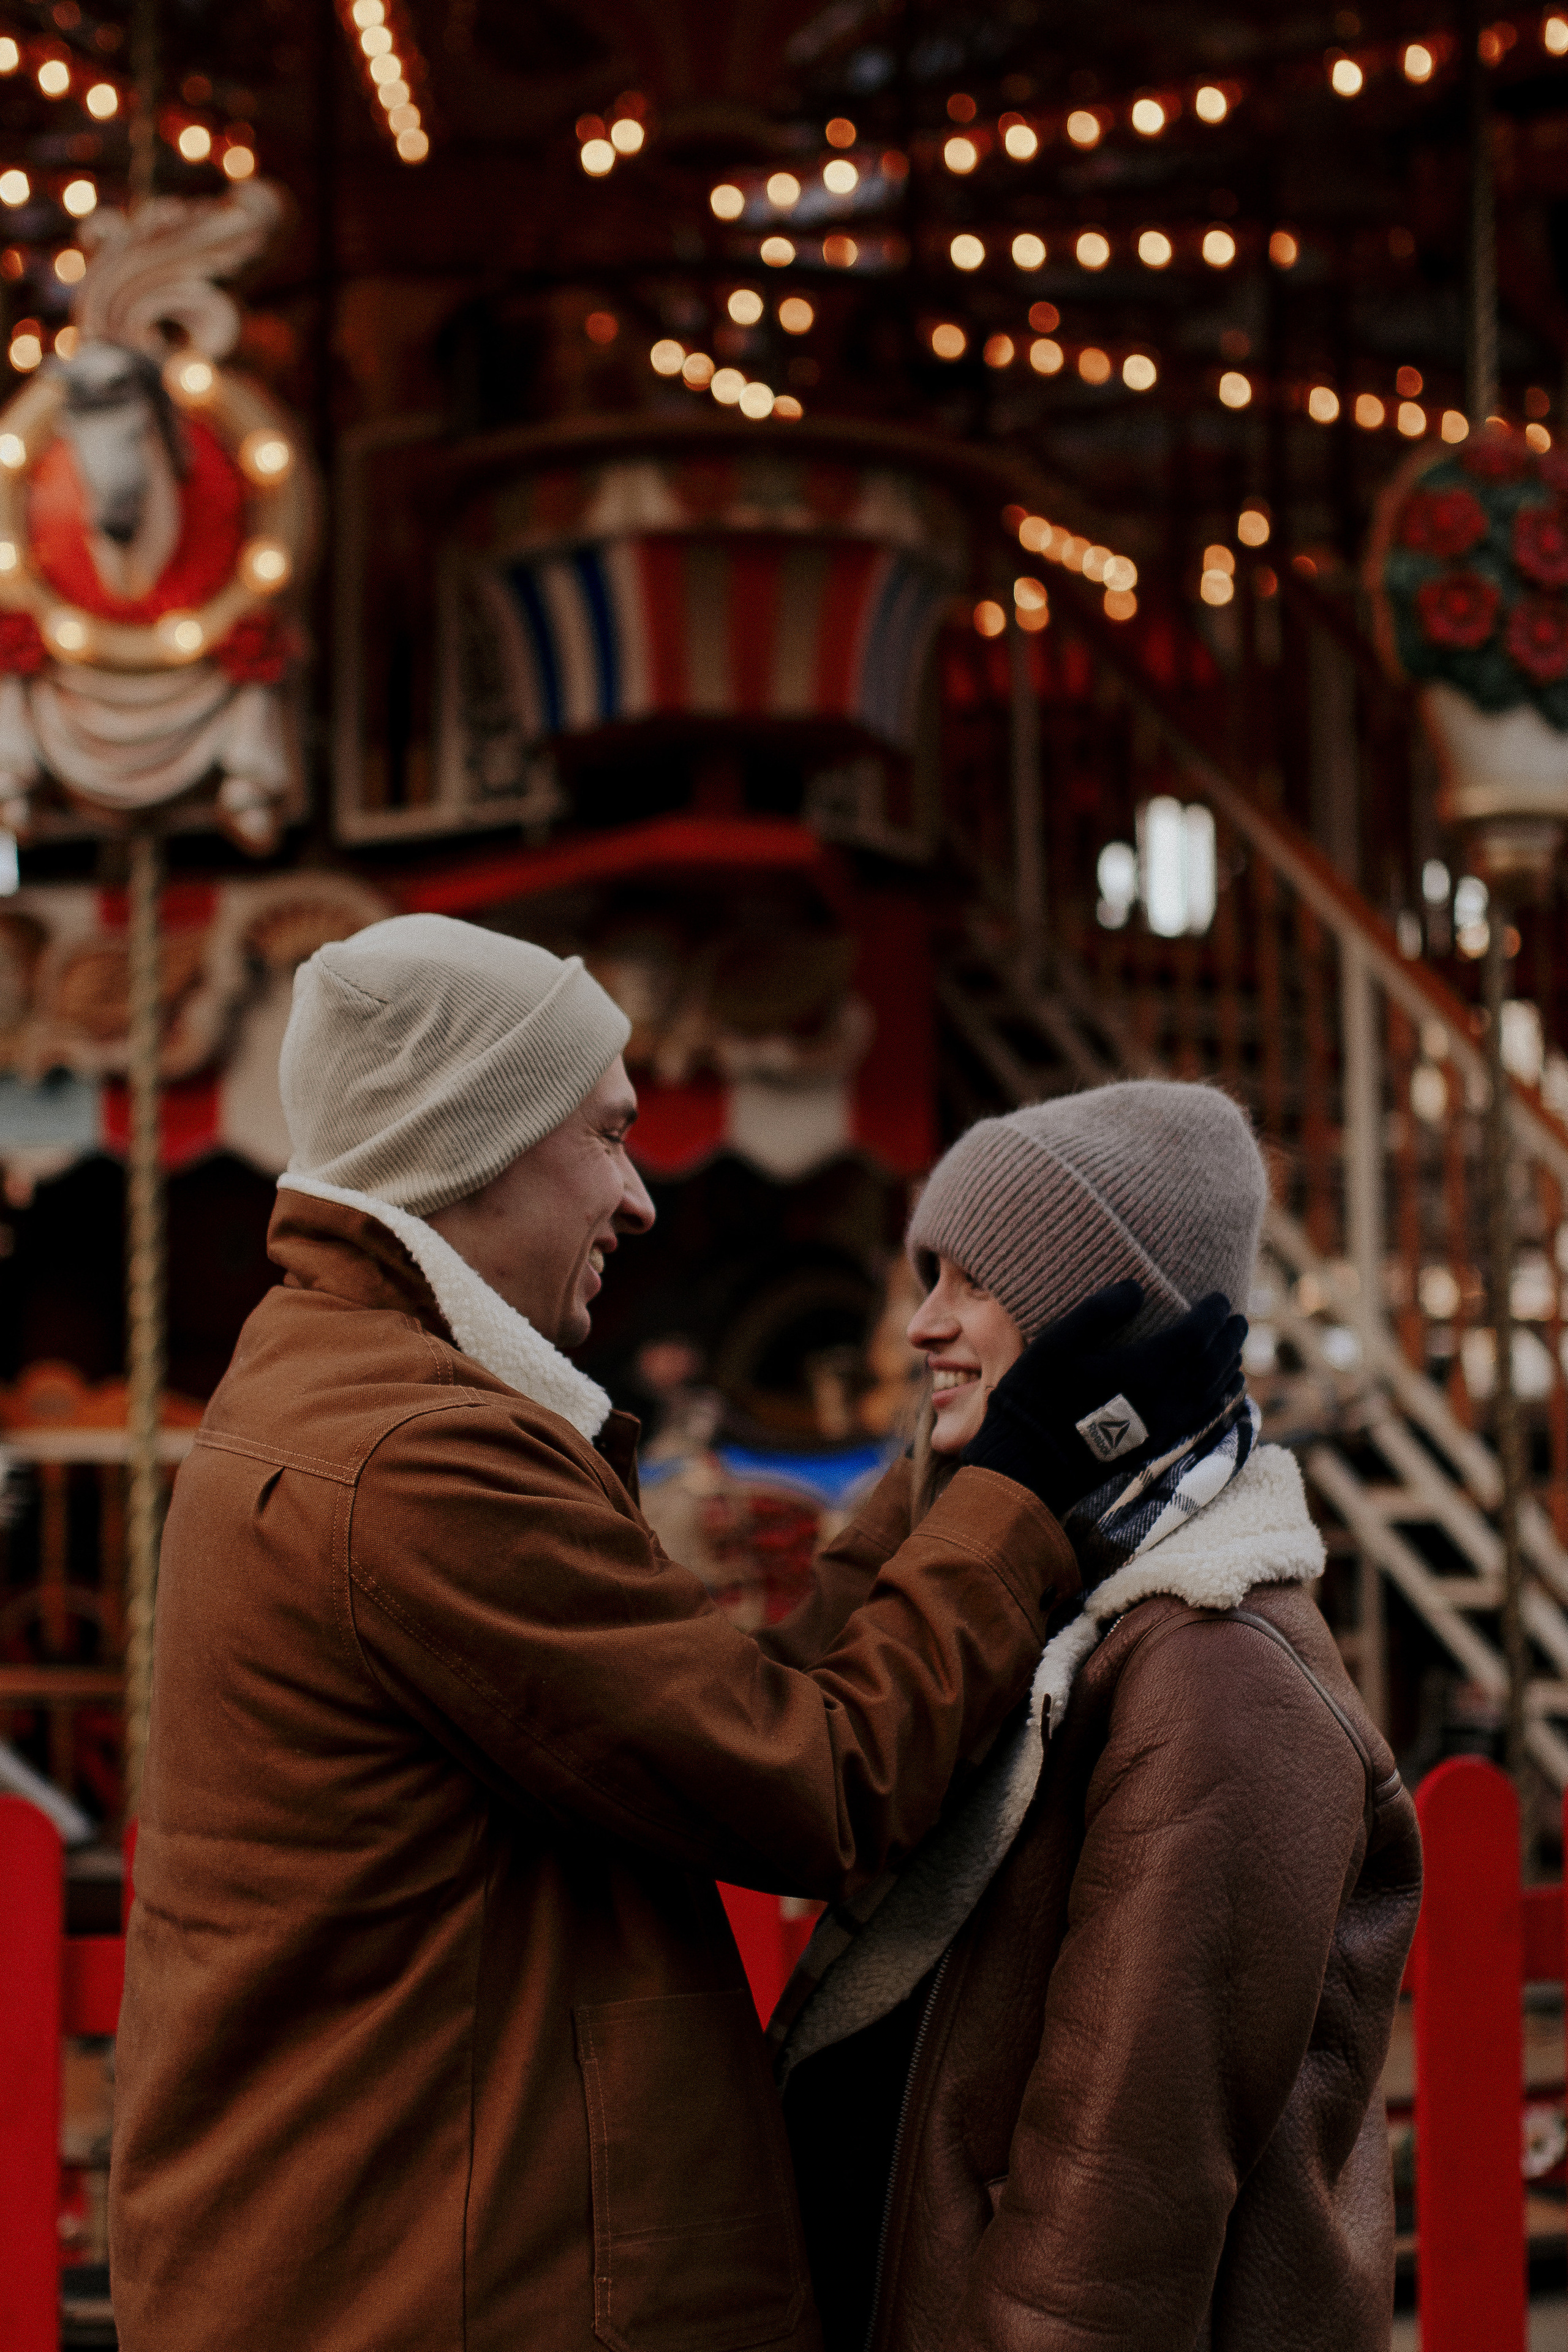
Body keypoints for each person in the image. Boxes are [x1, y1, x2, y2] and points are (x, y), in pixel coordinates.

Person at [108, 918, 1240, 2352]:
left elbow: (720, 1711)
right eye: (607, 1136)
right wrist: (1020, 1486)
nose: (639, 1200)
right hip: (447, 2288)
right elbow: (813, 1781)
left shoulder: (347, 1392)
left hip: (395, 2261)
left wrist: (950, 1475)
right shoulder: (416, 1464)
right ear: (479, 1145)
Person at [777, 1082, 1423, 2352]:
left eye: (972, 1281)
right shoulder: (1052, 1604)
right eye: (928, 1275)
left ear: (1095, 1322)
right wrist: (972, 1487)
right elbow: (820, 1706)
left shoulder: (1210, 1664)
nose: (920, 1326)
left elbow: (1119, 2202)